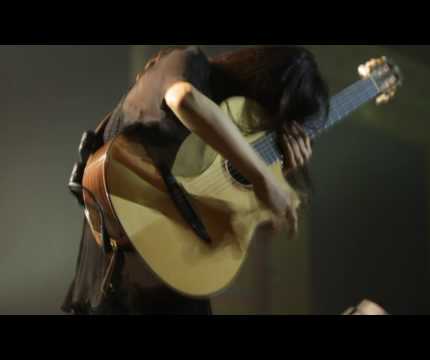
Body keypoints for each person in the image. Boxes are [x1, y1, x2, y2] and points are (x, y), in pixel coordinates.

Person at [63, 45, 330, 315]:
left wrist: (276, 175)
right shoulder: (192, 63)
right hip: (123, 272)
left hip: (170, 272)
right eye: (273, 124)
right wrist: (264, 179)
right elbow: (183, 98)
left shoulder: (228, 144)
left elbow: (222, 218)